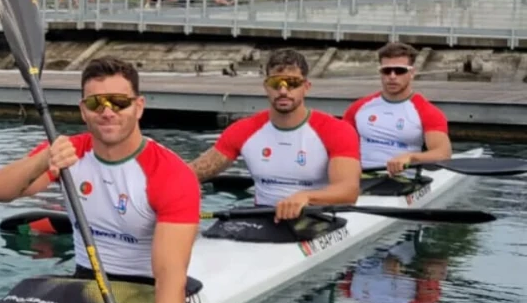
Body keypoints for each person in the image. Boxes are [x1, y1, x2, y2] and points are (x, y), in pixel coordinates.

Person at [0, 56, 201, 303]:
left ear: (139, 107)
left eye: (119, 102)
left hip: (144, 287)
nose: (107, 111)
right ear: (84, 110)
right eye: (97, 103)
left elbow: (170, 276)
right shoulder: (69, 153)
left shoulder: (170, 174)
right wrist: (44, 159)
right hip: (84, 279)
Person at [188, 47, 361, 227]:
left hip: (317, 217)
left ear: (306, 87)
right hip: (262, 216)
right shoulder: (243, 130)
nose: (283, 91)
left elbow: (348, 192)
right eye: (276, 83)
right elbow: (191, 173)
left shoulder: (336, 130)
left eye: (292, 83)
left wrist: (306, 197)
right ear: (266, 87)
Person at [342, 41, 451, 176]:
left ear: (412, 73)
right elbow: (339, 144)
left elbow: (443, 154)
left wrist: (411, 157)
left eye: (399, 71)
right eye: (386, 71)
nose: (392, 76)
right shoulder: (359, 108)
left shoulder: (428, 112)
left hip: (403, 180)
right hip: (361, 177)